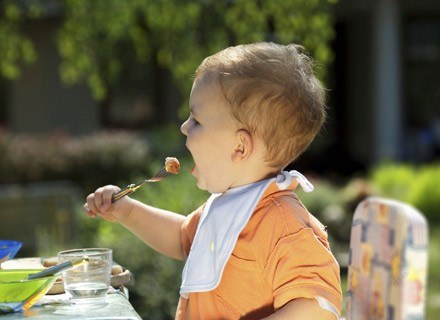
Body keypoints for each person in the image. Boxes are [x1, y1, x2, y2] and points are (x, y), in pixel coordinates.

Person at [84, 42, 342, 319]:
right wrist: (128, 211)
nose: (184, 127)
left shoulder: (286, 226)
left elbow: (318, 305)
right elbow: (183, 238)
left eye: (196, 120)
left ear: (239, 148)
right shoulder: (228, 204)